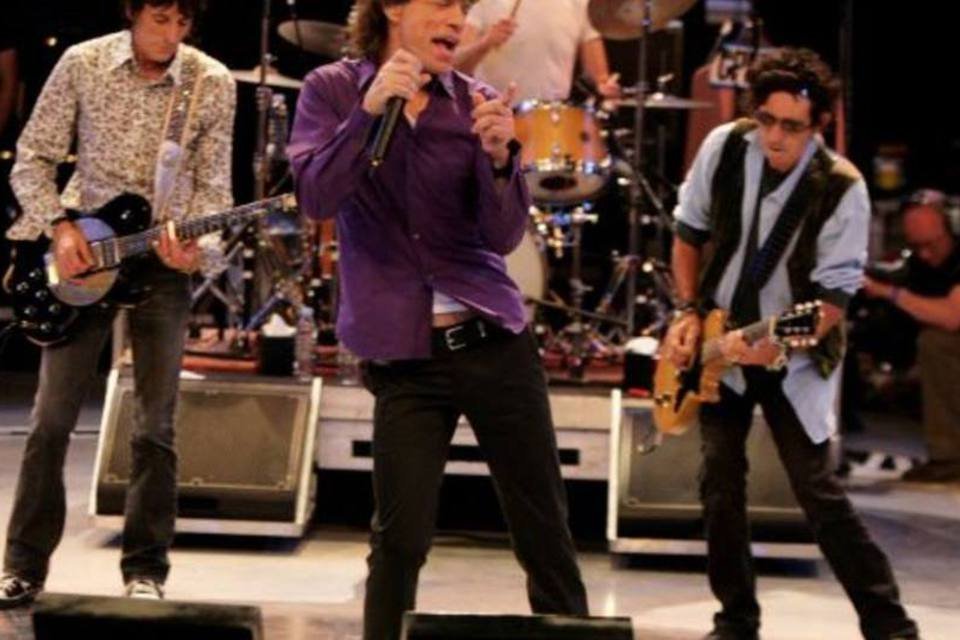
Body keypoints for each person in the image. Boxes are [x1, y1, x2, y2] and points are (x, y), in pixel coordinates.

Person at [288, 1, 588, 638]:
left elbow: (503, 237)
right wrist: (368, 114)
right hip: (406, 355)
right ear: (394, 8)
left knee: (545, 534)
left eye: (463, 8)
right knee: (399, 541)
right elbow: (316, 196)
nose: (458, 19)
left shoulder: (475, 102)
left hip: (495, 344)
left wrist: (502, 159)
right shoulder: (333, 90)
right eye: (443, 3)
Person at [661, 48, 919, 640]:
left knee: (817, 492)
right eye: (767, 120)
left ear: (819, 124)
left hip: (794, 351)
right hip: (719, 339)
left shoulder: (842, 187)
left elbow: (830, 304)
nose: (775, 137)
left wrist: (777, 343)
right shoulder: (726, 146)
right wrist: (687, 311)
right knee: (719, 485)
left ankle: (890, 626)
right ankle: (735, 621)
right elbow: (687, 234)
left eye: (792, 126)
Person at [0, 0, 235, 606]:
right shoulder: (84, 63)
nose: (171, 35)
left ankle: (146, 571)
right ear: (132, 13)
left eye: (182, 23)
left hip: (160, 260)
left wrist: (197, 251)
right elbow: (33, 158)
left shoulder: (210, 81)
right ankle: (22, 566)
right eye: (160, 20)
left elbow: (214, 188)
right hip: (84, 254)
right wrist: (58, 227)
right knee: (51, 421)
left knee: (155, 426)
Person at [863, 192, 960, 483]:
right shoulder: (919, 265)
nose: (925, 254)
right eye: (917, 246)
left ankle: (949, 457)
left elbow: (951, 317)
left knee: (936, 344)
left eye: (932, 244)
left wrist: (888, 292)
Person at [454, 0, 620, 103]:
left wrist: (604, 87)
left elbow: (600, 77)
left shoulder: (580, 4)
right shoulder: (485, 3)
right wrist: (485, 43)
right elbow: (454, 66)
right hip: (492, 118)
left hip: (552, 121)